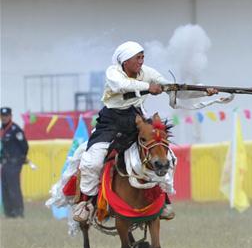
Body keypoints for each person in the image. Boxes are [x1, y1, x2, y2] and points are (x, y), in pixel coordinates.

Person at [72, 42, 217, 224]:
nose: (141, 61)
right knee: (91, 163)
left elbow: (173, 89)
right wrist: (148, 87)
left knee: (167, 157)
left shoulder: (148, 73)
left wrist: (203, 92)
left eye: (142, 57)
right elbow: (121, 85)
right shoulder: (113, 73)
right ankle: (86, 204)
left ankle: (164, 200)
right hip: (110, 123)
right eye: (137, 58)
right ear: (125, 61)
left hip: (137, 120)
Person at [1, 107, 29, 218]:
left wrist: (20, 159)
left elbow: (24, 146)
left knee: (14, 187)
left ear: (10, 116)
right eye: (2, 116)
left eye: (6, 116)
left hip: (14, 163)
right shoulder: (2, 130)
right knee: (5, 187)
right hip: (5, 163)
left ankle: (18, 211)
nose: (4, 118)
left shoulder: (15, 129)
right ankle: (8, 212)